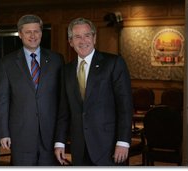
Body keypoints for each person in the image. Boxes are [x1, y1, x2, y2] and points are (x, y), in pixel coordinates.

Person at [54, 17, 133, 166]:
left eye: (87, 35)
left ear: (94, 38)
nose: (83, 40)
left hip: (109, 146)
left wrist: (123, 141)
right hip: (79, 147)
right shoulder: (66, 70)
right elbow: (64, 110)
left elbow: (125, 106)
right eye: (77, 37)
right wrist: (60, 142)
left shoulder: (114, 63)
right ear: (70, 42)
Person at [0, 14, 64, 166]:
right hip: (21, 135)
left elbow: (62, 100)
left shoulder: (56, 59)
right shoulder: (7, 62)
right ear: (20, 34)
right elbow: (2, 100)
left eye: (36, 31)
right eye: (28, 32)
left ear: (41, 33)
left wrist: (61, 136)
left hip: (50, 134)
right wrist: (3, 132)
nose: (33, 36)